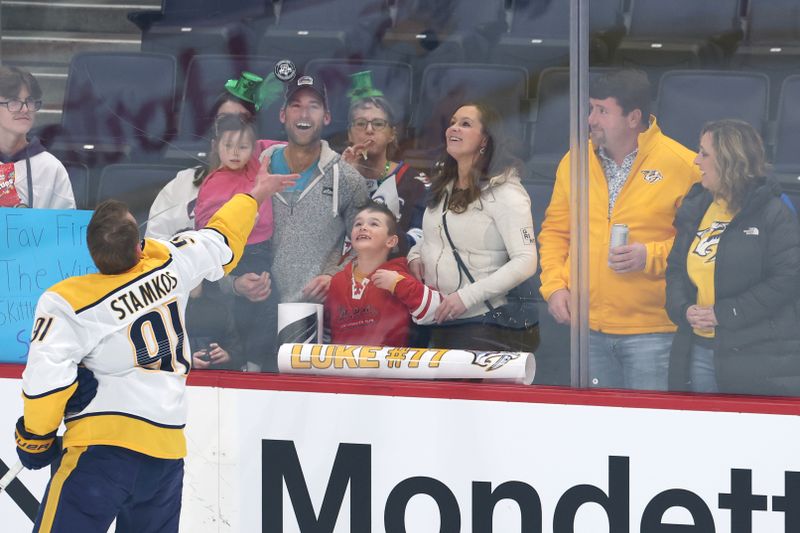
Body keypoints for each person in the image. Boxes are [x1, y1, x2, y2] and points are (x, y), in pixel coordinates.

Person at [13, 160, 296, 532]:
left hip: (101, 452)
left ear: (92, 252)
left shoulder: (67, 301)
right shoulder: (171, 261)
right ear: (139, 244)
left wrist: (36, 438)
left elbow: (47, 379)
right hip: (164, 457)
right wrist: (257, 192)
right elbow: (223, 236)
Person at [538, 69, 701, 391]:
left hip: (652, 331)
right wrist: (555, 287)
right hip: (585, 328)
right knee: (594, 432)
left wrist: (649, 255)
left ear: (633, 117)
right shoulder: (574, 160)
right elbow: (556, 232)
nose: (591, 119)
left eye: (602, 110)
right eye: (590, 108)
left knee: (648, 432)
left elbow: (701, 243)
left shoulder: (683, 165)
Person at [665, 120, 800, 395]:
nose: (696, 160)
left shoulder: (773, 211)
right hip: (698, 350)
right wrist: (683, 309)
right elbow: (677, 268)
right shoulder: (698, 205)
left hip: (758, 358)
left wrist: (726, 313)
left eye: (704, 153)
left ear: (728, 161)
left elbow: (787, 279)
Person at [407, 102, 539, 352]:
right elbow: (434, 235)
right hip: (434, 317)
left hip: (480, 323)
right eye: (453, 122)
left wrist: (467, 298)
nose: (453, 129)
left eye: (465, 124)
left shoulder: (507, 192)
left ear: (485, 140)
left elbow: (526, 260)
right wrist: (416, 255)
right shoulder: (444, 182)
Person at [261, 74, 369, 303]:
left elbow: (367, 244)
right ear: (283, 114)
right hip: (257, 312)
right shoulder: (257, 169)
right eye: (296, 105)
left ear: (327, 117)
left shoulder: (347, 178)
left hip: (319, 311)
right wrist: (235, 284)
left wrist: (335, 276)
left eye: (314, 106)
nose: (304, 114)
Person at [194, 114, 289, 371]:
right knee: (233, 309)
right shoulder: (213, 183)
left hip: (261, 251)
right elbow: (204, 228)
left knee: (269, 303)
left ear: (253, 147)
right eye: (228, 146)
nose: (235, 153)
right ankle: (240, 360)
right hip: (228, 252)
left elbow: (287, 146)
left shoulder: (259, 166)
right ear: (216, 146)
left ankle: (257, 362)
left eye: (243, 147)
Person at [325, 202, 441, 345]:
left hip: (388, 366)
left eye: (374, 224)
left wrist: (399, 284)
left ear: (391, 241)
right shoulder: (337, 281)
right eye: (358, 224)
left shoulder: (399, 275)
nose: (363, 227)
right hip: (341, 365)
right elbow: (327, 331)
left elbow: (436, 310)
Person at [341, 71, 427, 248]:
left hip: (391, 270)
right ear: (350, 133)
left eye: (378, 124)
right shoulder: (334, 176)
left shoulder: (414, 181)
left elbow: (422, 237)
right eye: (361, 123)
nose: (369, 130)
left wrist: (386, 242)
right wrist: (346, 177)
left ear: (391, 134)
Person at [0, 66, 74, 208]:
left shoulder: (51, 168)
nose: (25, 109)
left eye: (30, 101)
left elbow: (63, 225)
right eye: (13, 101)